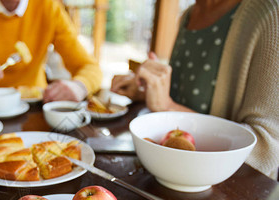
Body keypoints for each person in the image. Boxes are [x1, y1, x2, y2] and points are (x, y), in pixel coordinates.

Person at [111, 0, 279, 179]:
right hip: (172, 174)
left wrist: (167, 107)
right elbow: (184, 99)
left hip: (233, 194)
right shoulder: (188, 14)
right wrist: (146, 91)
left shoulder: (270, 14)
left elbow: (267, 148)